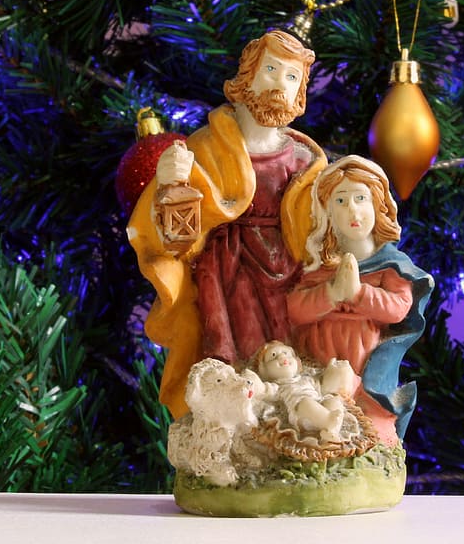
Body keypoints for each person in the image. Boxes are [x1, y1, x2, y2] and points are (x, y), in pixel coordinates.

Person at [126, 30, 327, 418]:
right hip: (226, 270)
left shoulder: (305, 160)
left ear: (300, 93)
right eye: (271, 70)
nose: (279, 85)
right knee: (234, 348)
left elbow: (319, 222)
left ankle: (295, 409)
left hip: (287, 265)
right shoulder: (206, 147)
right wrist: (169, 182)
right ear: (247, 76)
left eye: (291, 77)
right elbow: (176, 226)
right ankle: (237, 412)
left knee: (292, 345)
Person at [286, 155, 434, 443]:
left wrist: (358, 293)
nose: (352, 209)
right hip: (318, 352)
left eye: (360, 198)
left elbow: (398, 308)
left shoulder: (391, 264)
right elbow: (295, 309)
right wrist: (331, 293)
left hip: (365, 354)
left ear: (378, 204)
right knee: (316, 407)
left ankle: (368, 448)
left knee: (368, 417)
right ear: (327, 212)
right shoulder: (321, 263)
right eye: (341, 201)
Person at [252, 341, 356, 443]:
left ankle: (332, 431)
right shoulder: (278, 386)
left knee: (334, 401)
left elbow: (322, 387)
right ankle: (328, 421)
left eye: (286, 353)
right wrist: (254, 383)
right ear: (263, 370)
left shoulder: (307, 378)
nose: (283, 357)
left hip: (320, 404)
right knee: (305, 402)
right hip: (303, 416)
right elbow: (264, 391)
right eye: (274, 355)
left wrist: (336, 371)